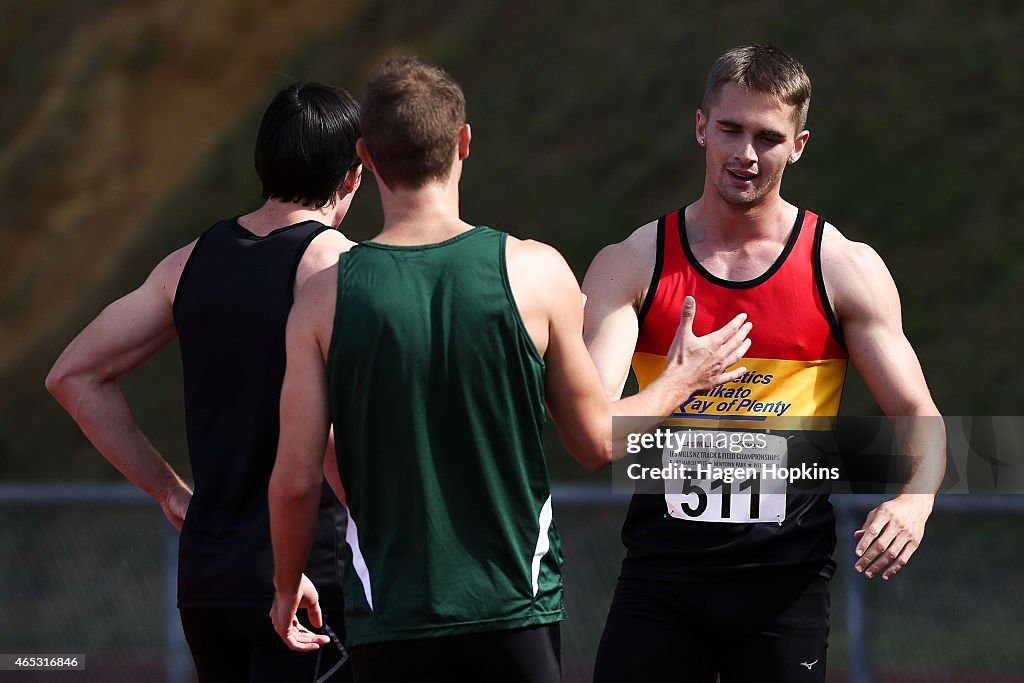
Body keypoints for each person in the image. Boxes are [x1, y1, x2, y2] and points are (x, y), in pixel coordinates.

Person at [267, 57, 753, 683]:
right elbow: (597, 441)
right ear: (464, 142)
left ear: (364, 157)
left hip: (391, 614)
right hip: (513, 608)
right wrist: (679, 380)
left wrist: (285, 586)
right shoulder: (534, 271)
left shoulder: (322, 298)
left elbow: (296, 481)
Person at [583, 43, 946, 682]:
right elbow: (596, 431)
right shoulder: (635, 264)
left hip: (785, 584)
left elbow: (919, 411)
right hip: (661, 577)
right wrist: (678, 383)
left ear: (798, 145)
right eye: (730, 129)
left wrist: (915, 498)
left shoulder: (841, 268)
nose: (746, 154)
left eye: (768, 137)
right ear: (701, 127)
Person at [45, 81, 360, 682]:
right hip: (306, 581)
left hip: (210, 579)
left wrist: (169, 492)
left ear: (262, 163)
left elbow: (73, 375)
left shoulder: (190, 262)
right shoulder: (337, 265)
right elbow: (333, 437)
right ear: (351, 177)